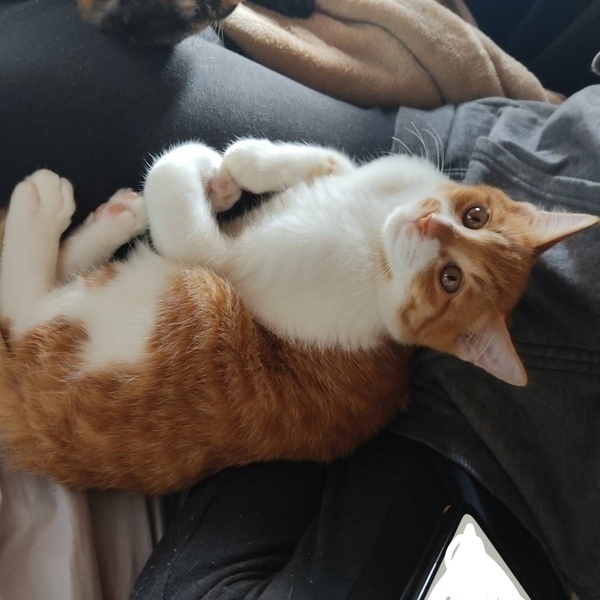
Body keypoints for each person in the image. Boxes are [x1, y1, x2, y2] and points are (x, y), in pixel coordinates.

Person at [1, 1, 599, 599]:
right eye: (473, 217)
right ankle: (52, 293)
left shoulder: (357, 296)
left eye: (448, 277)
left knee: (180, 296)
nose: (434, 226)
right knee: (50, 71)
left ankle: (24, 316)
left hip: (258, 364)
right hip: (486, 147)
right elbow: (335, 179)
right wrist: (272, 169)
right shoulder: (419, 207)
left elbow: (207, 255)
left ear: (462, 341)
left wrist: (185, 178)